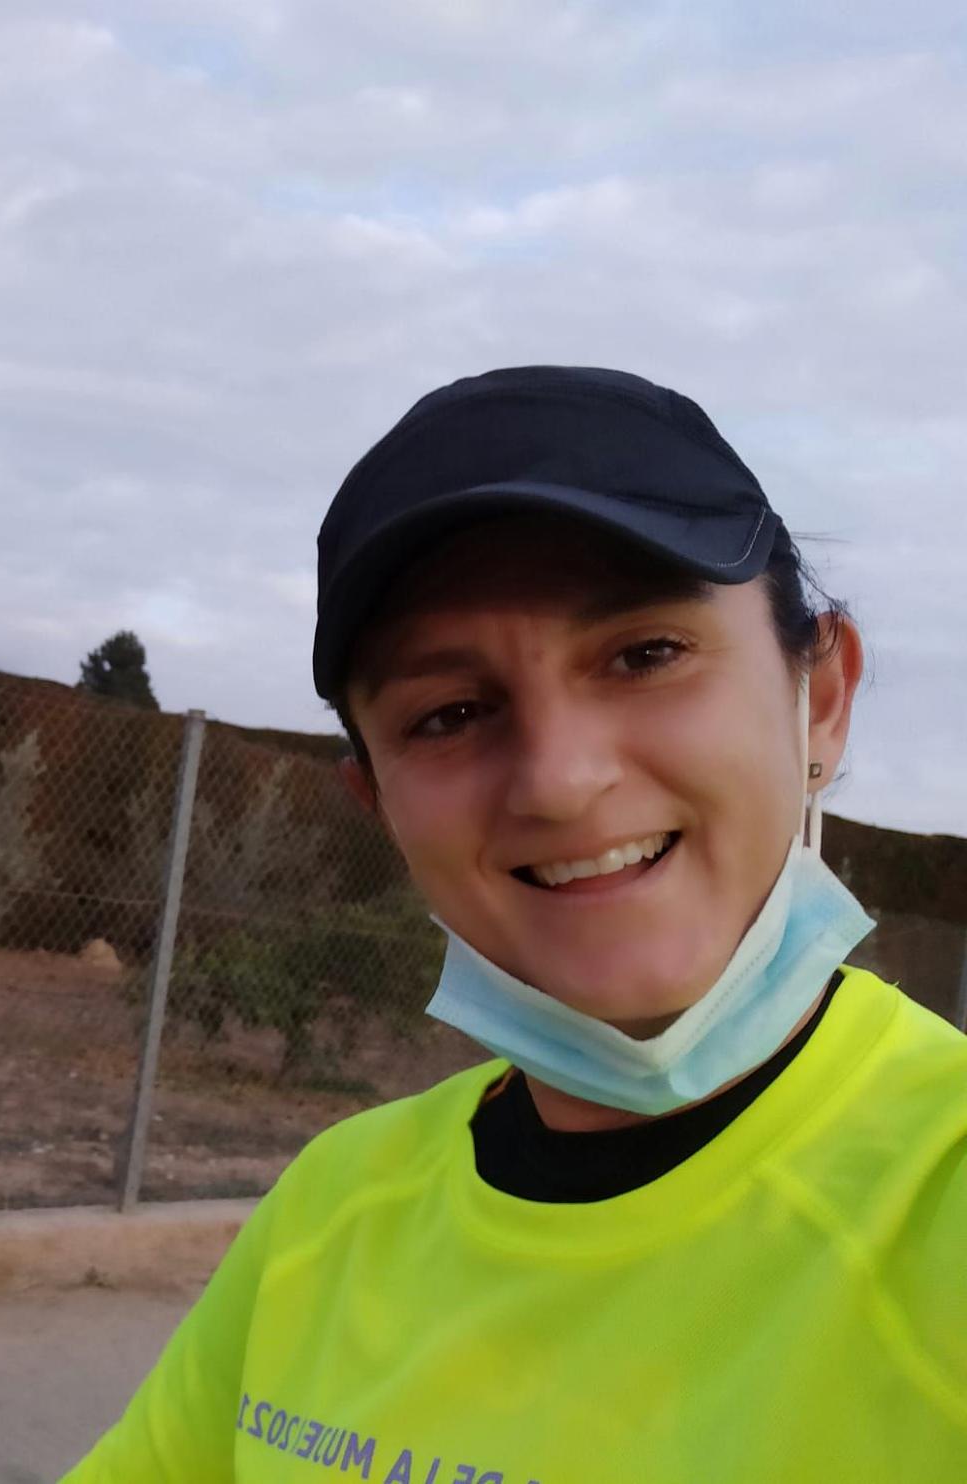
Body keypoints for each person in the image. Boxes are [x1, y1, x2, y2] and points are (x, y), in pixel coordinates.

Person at [62, 367, 967, 1481]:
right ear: (380, 802)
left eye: (643, 654)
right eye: (447, 714)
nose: (556, 779)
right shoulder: (330, 1206)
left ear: (818, 694)